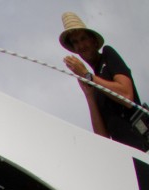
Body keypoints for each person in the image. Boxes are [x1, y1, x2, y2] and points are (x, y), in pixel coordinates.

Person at [59, 12, 148, 152]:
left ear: (93, 41)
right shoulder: (94, 85)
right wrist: (89, 95)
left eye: (83, 39)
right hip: (128, 155)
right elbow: (102, 138)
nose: (81, 45)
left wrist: (87, 75)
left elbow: (126, 95)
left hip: (144, 142)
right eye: (75, 42)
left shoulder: (107, 55)